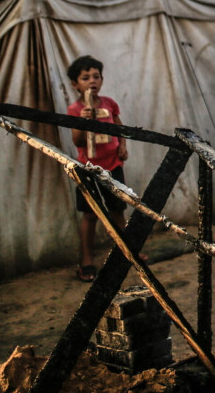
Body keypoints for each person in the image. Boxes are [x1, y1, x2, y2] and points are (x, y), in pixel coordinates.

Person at [66, 55, 129, 283]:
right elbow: (78, 142)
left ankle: (127, 253)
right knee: (90, 214)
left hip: (113, 165)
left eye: (96, 76)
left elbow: (119, 127)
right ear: (76, 84)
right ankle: (86, 260)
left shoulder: (109, 104)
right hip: (88, 169)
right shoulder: (75, 109)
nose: (92, 81)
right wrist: (83, 122)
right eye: (85, 78)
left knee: (118, 209)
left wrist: (122, 145)